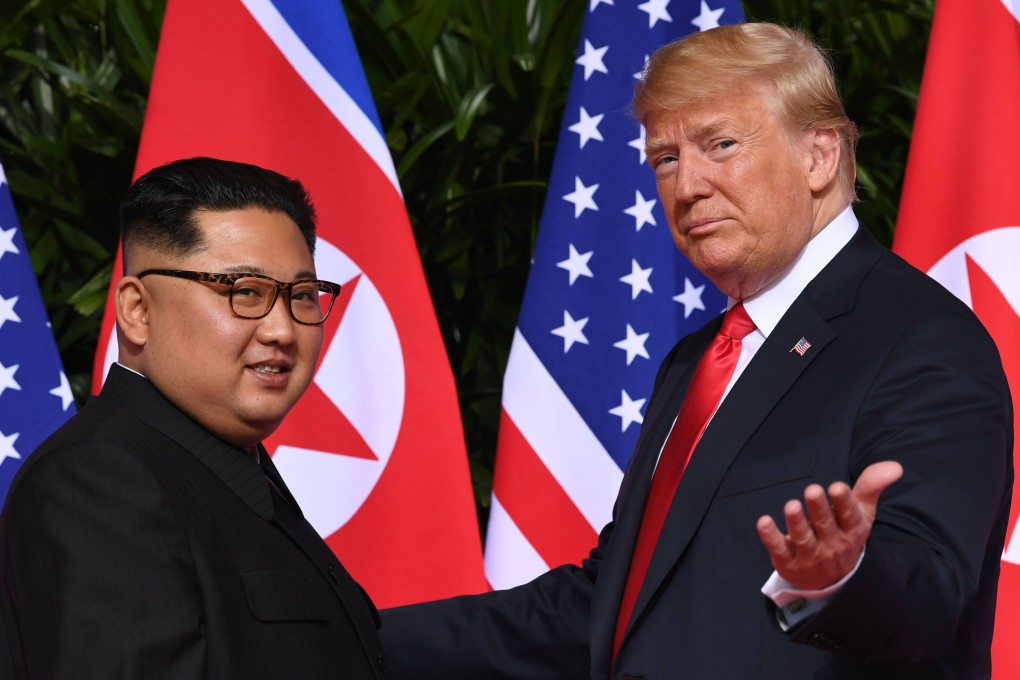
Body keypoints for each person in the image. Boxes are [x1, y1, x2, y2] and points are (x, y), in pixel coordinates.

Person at [379, 22, 1013, 679]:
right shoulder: (695, 361)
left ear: (819, 156)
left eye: (721, 144)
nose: (686, 188)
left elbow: (930, 595)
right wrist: (352, 638)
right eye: (666, 159)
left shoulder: (921, 340)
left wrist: (842, 577)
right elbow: (613, 610)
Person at [0, 157, 387, 679]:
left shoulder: (226, 466)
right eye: (244, 291)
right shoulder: (97, 479)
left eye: (300, 296)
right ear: (137, 310)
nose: (282, 330)